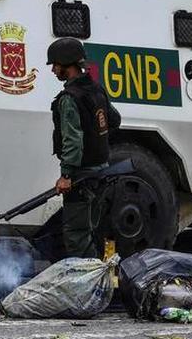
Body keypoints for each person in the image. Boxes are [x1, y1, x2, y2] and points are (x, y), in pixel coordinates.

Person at [46, 37, 118, 259]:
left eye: (55, 65)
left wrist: (66, 174)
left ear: (67, 64)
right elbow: (113, 120)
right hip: (101, 171)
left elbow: (73, 140)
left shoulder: (70, 98)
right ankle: (101, 279)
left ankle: (87, 285)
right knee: (92, 230)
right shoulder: (96, 89)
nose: (53, 70)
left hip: (81, 176)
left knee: (77, 236)